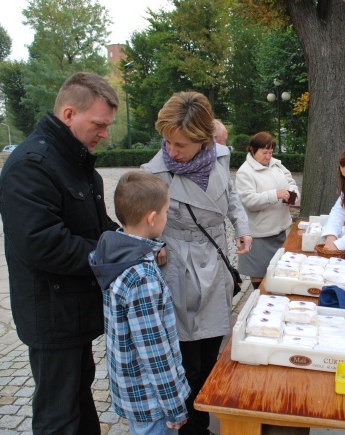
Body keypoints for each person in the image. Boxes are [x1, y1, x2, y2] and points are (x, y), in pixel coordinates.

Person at [0, 72, 120, 433]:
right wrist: (114, 254)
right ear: (68, 114)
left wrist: (132, 242)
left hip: (75, 311)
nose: (104, 134)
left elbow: (97, 228)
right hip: (52, 314)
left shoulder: (76, 163)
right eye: (98, 124)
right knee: (59, 415)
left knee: (79, 401)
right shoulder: (31, 166)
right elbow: (43, 243)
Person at [140, 91, 252, 435]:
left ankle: (201, 414)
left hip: (214, 258)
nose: (171, 151)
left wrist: (241, 226)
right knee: (187, 358)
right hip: (179, 264)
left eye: (180, 145)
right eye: (168, 142)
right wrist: (154, 245)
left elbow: (230, 195)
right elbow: (141, 223)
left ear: (203, 140)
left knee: (210, 352)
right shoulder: (153, 173)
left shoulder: (219, 156)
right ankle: (193, 427)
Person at [89, 171, 190, 435]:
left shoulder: (114, 253)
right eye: (166, 212)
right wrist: (175, 406)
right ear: (152, 217)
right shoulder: (141, 277)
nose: (167, 217)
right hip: (152, 401)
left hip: (132, 391)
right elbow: (154, 352)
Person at [235, 131, 299, 288]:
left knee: (279, 275)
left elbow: (290, 181)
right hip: (260, 234)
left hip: (280, 229)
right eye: (264, 152)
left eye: (270, 152)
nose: (268, 156)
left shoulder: (276, 164)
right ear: (252, 150)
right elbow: (249, 201)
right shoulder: (245, 172)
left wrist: (293, 194)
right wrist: (275, 195)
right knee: (259, 277)